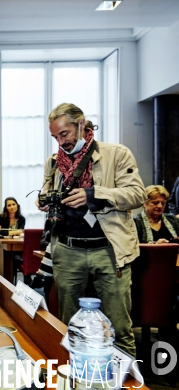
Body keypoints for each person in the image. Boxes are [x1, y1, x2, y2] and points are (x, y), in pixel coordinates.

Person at [37, 103, 145, 357]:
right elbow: (46, 190)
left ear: (82, 124)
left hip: (109, 252)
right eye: (55, 137)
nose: (60, 142)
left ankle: (125, 382)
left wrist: (94, 195)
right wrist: (44, 200)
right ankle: (74, 379)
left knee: (118, 327)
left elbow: (137, 194)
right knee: (70, 327)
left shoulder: (116, 154)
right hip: (67, 251)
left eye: (64, 134)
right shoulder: (54, 163)